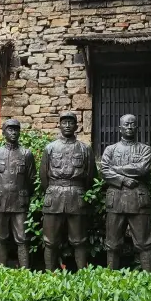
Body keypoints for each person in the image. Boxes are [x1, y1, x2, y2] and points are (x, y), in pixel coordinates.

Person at [40, 111, 95, 271]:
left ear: (77, 126)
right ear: (59, 125)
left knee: (79, 240)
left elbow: (90, 176)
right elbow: (44, 176)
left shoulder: (85, 149)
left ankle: (82, 274)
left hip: (76, 196)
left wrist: (77, 188)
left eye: (71, 122)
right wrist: (54, 189)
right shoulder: (50, 148)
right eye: (64, 122)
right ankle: (50, 274)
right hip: (54, 196)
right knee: (50, 240)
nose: (68, 125)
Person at [100, 114, 151, 271]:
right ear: (120, 128)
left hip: (138, 200)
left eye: (133, 124)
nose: (130, 127)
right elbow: (104, 171)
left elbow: (143, 169)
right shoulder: (110, 149)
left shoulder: (145, 149)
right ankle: (111, 277)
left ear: (137, 128)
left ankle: (150, 279)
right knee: (112, 243)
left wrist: (116, 169)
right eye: (126, 125)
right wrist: (124, 180)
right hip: (115, 200)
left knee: (144, 242)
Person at [0, 119, 36, 267]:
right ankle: (2, 268)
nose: (13, 133)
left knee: (23, 237)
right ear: (4, 132)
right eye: (10, 129)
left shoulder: (26, 154)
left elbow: (31, 179)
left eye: (16, 130)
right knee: (0, 237)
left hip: (19, 202)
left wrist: (23, 193)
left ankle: (25, 270)